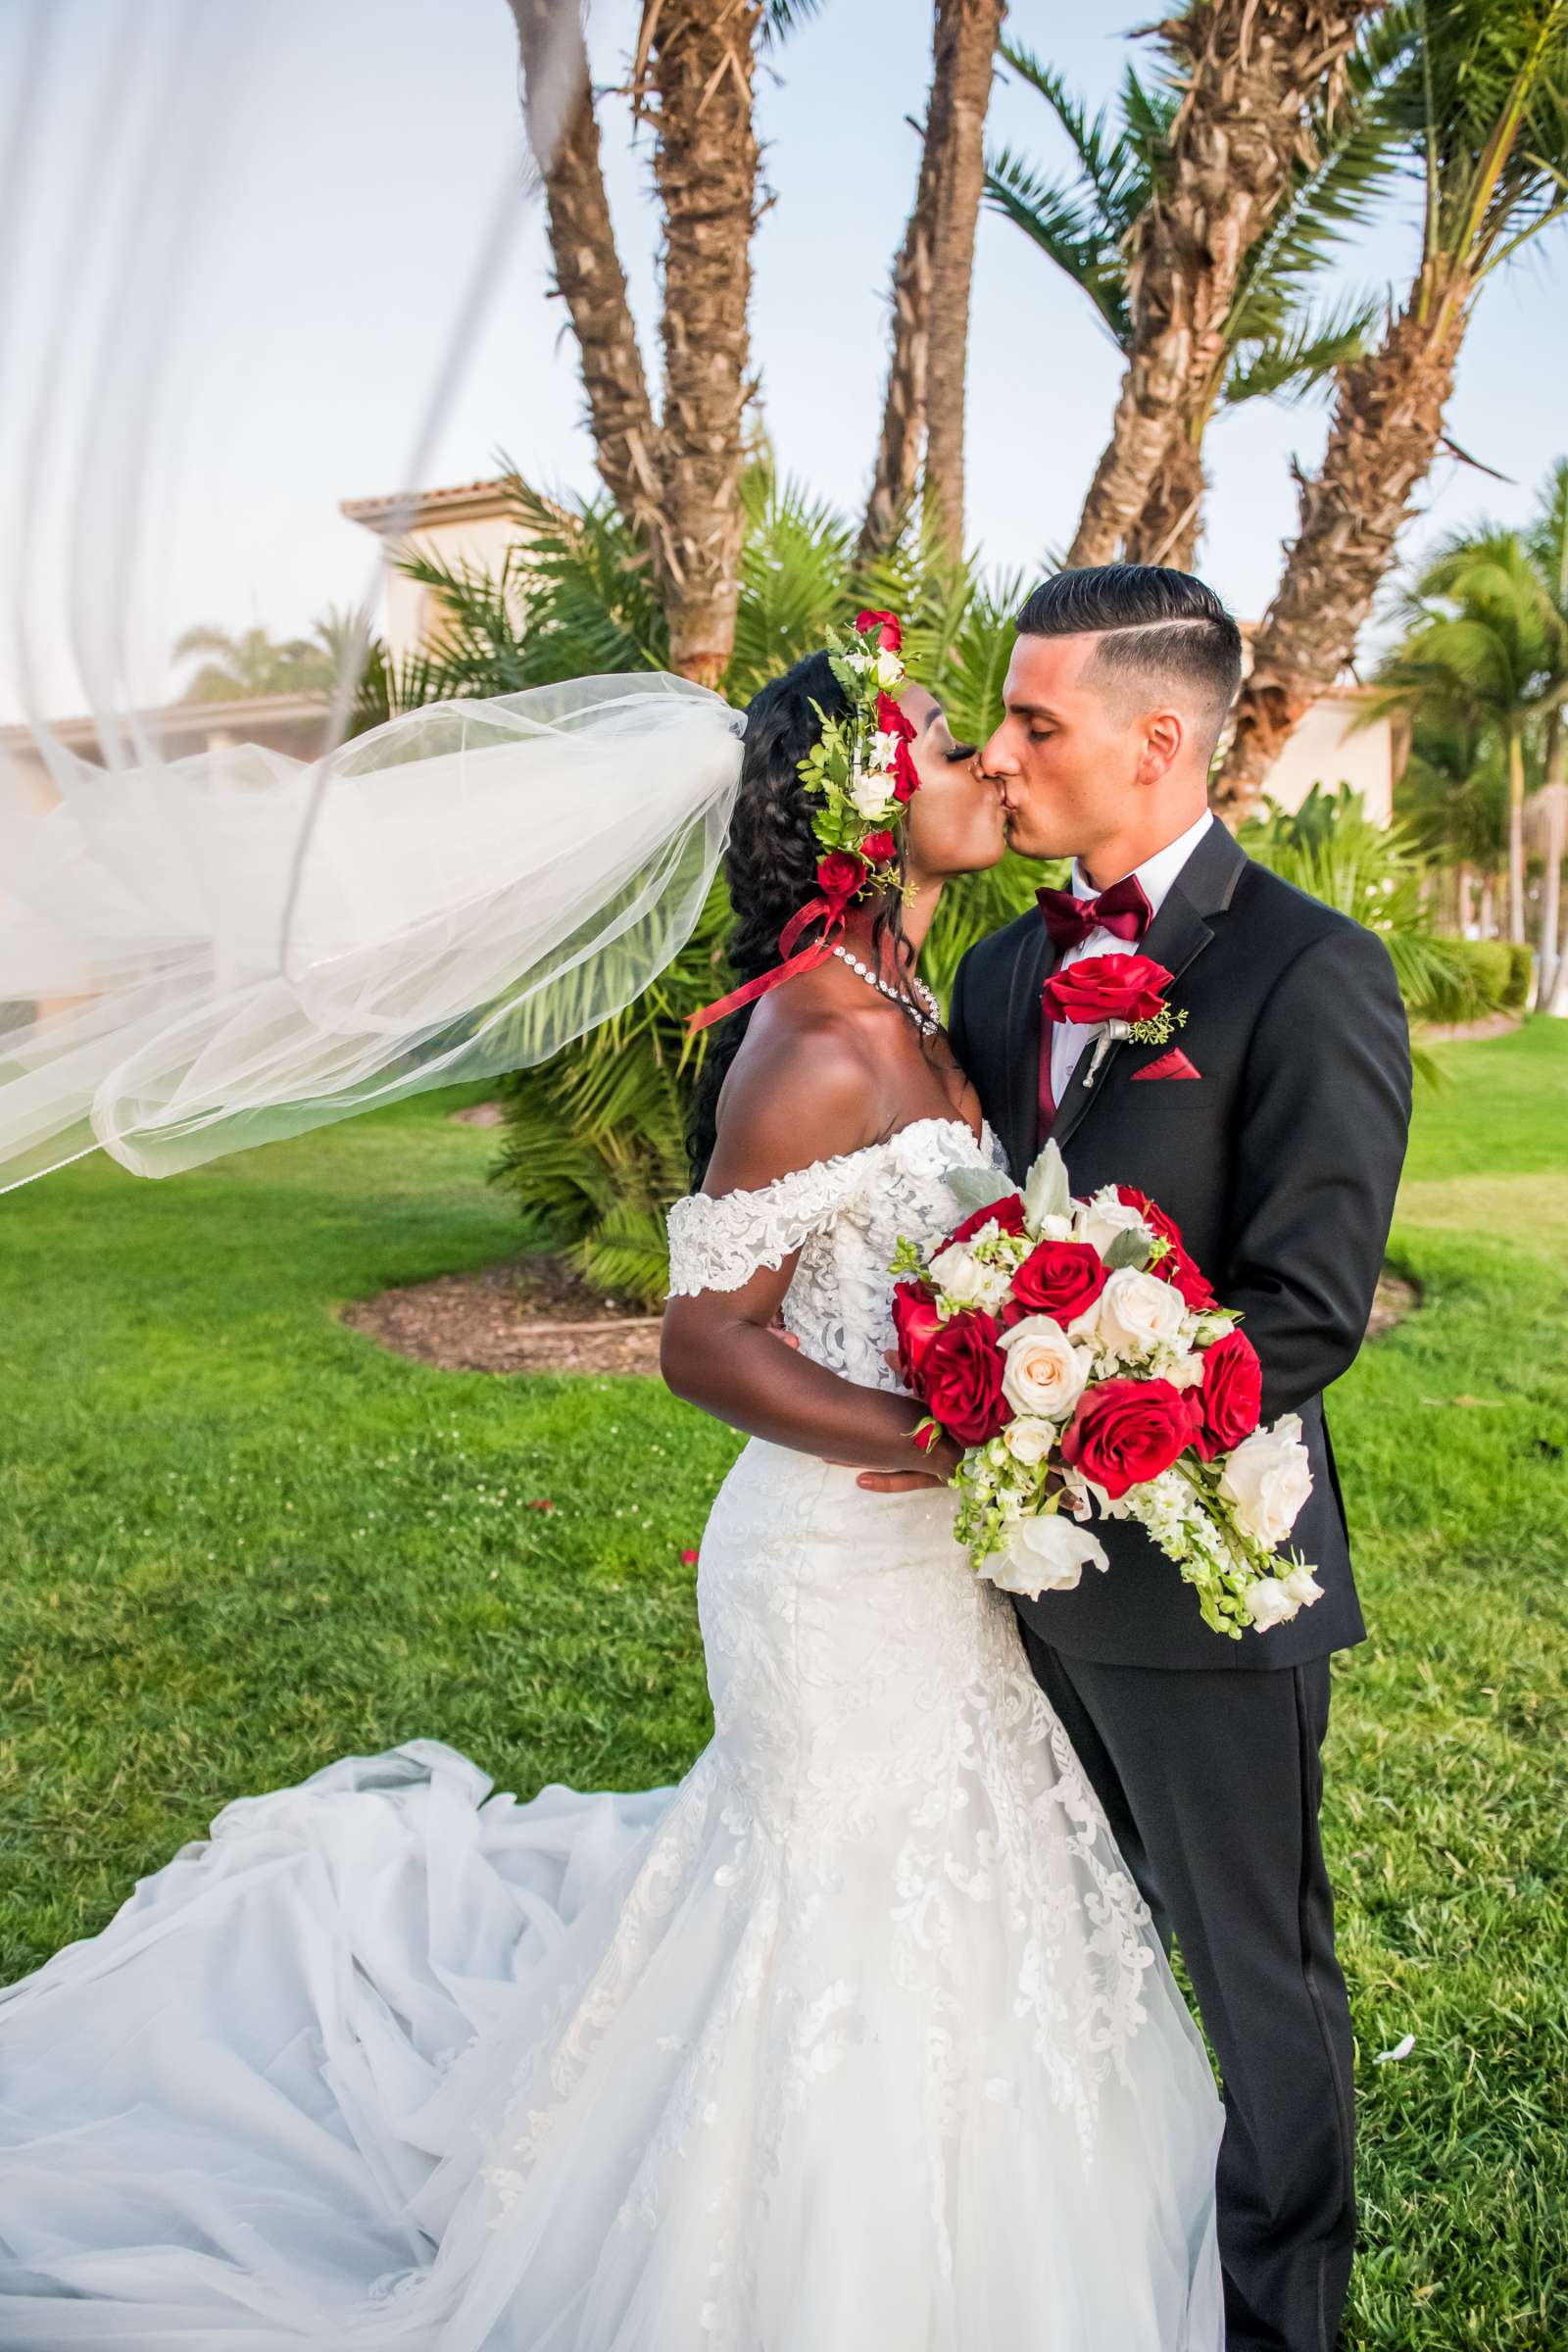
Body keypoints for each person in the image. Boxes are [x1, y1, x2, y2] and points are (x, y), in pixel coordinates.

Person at [0, 620, 1225, 2348]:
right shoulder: (815, 1040)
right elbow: (700, 1339)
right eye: (953, 748)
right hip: (831, 1568)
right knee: (834, 1926)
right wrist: (936, 1438)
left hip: (928, 1575)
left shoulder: (915, 1005)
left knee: (964, 1898)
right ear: (872, 807)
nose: (992, 769)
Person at [862, 566, 1413, 2352]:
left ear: (1157, 740)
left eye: (1038, 723)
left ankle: (1282, 2320)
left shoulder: (1312, 972)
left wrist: (1090, 1410)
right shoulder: (1011, 968)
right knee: (1073, 1959)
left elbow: (1313, 1305)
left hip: (1206, 1583)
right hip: (1003, 1582)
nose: (1004, 758)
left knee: (1259, 1981)